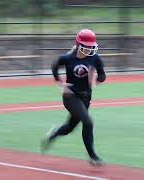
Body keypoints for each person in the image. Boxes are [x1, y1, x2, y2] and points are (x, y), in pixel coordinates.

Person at [41, 29, 106, 166]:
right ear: (79, 45)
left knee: (70, 127)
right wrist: (60, 83)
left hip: (86, 97)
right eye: (86, 46)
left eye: (91, 46)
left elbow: (102, 75)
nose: (89, 49)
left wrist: (98, 79)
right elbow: (54, 66)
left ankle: (53, 134)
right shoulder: (68, 58)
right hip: (70, 96)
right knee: (88, 122)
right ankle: (92, 156)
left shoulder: (95, 58)